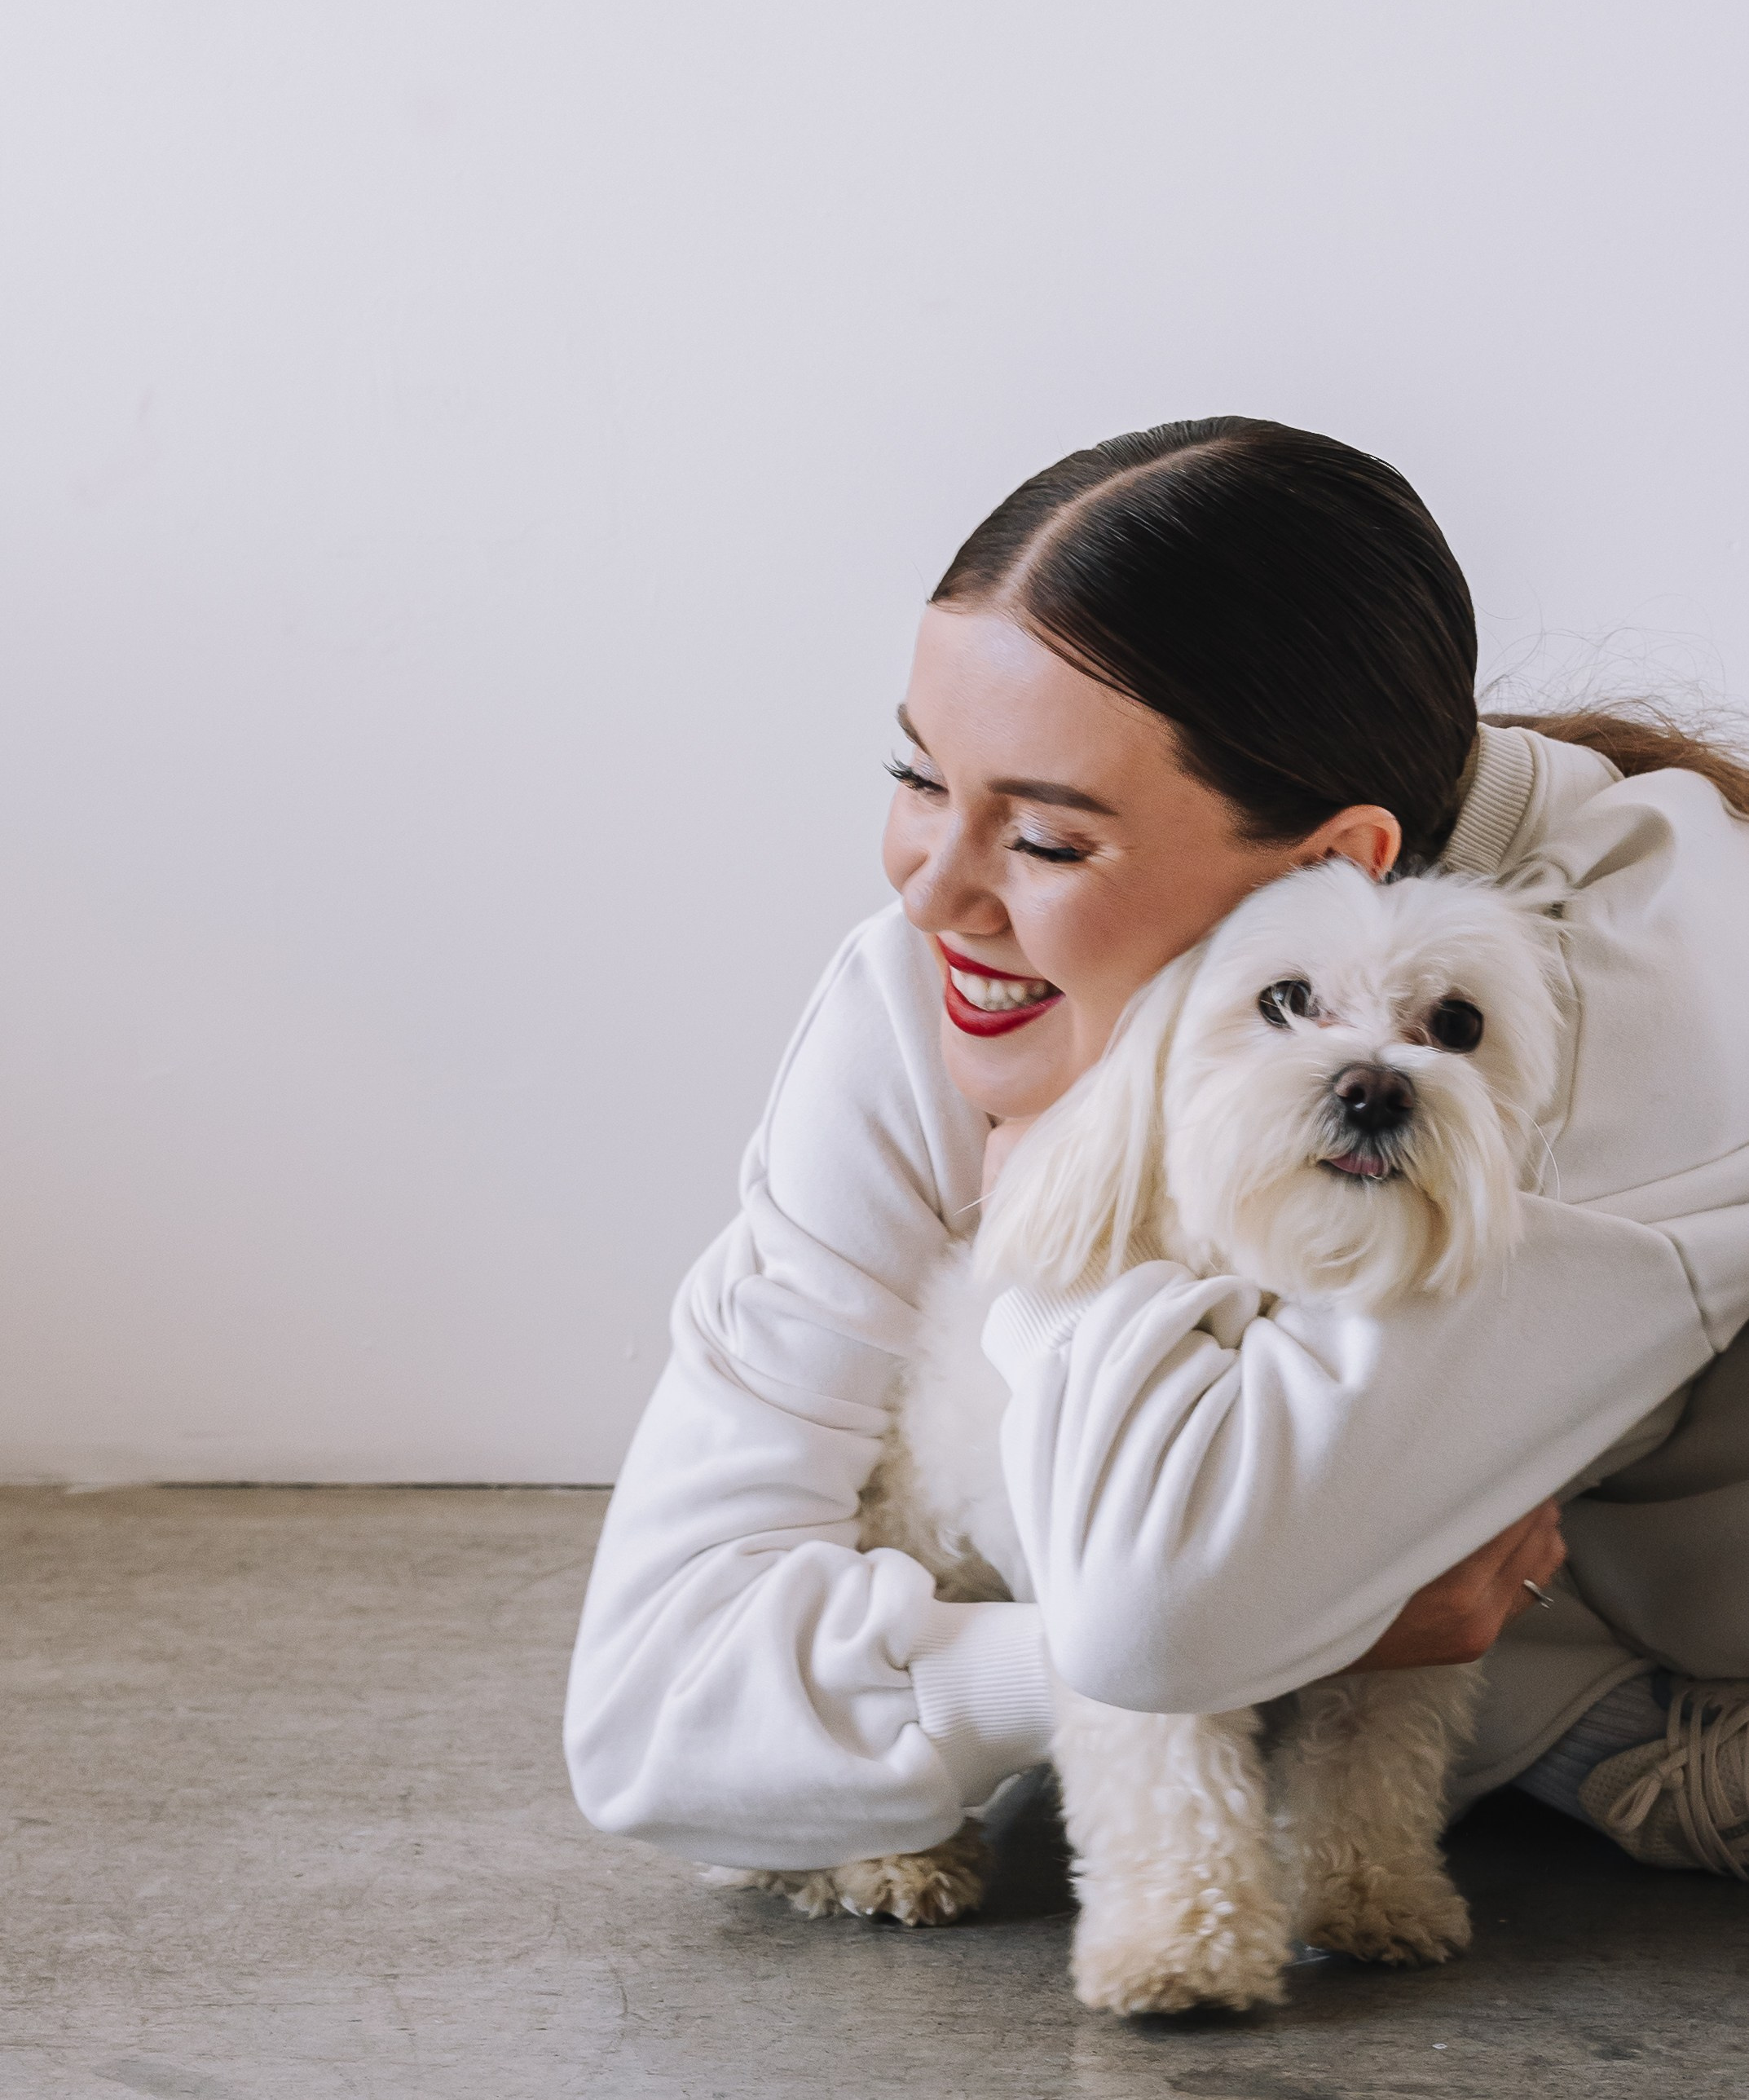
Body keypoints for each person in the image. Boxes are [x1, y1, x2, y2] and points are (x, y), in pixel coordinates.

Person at [566, 418, 1749, 1883]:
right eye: (920, 774)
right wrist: (1096, 1660)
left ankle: (1576, 1717)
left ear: (1332, 865)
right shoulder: (938, 980)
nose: (933, 893)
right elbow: (650, 1728)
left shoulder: (1622, 1014)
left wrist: (1070, 1180)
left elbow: (1155, 1614)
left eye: (1049, 841)